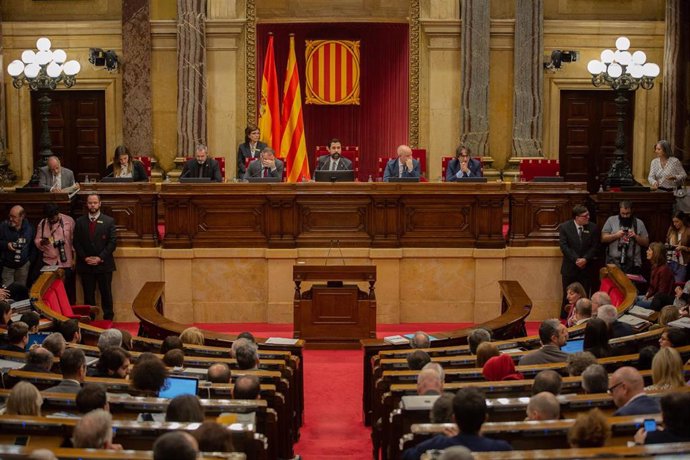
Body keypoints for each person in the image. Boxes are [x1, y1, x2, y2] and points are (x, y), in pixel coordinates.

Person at [401, 387, 512, 459]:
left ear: (454, 419)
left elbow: (407, 456)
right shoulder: (503, 449)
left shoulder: (437, 444)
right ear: (485, 418)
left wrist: (454, 442)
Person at [73, 194, 117, 320]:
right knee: (88, 295)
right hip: (86, 265)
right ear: (87, 204)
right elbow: (76, 242)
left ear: (100, 204)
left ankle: (108, 319)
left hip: (104, 265)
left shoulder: (109, 221)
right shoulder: (80, 222)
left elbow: (112, 243)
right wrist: (85, 258)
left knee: (106, 294)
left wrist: (100, 258)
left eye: (95, 202)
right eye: (90, 203)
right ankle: (90, 320)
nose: (92, 205)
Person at [559, 205, 599, 310]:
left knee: (584, 295)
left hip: (586, 268)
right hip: (570, 268)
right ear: (577, 217)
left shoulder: (593, 227)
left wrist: (585, 259)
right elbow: (564, 246)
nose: (588, 217)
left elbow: (595, 247)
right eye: (585, 216)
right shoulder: (565, 227)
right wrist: (576, 259)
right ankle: (565, 319)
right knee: (568, 296)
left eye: (588, 215)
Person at [34, 203, 76, 302]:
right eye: (50, 219)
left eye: (53, 218)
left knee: (67, 290)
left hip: (66, 261)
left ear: (58, 213)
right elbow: (37, 240)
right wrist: (43, 242)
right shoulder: (43, 223)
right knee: (50, 290)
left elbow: (74, 241)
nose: (52, 220)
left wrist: (75, 259)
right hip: (49, 261)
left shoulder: (69, 221)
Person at [601, 201, 649, 274]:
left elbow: (646, 243)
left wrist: (635, 236)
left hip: (633, 264)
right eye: (623, 213)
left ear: (632, 211)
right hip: (613, 263)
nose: (625, 216)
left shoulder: (639, 223)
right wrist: (616, 235)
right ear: (619, 211)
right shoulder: (611, 220)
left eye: (628, 213)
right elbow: (603, 238)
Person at [0, 205, 35, 287]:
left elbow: (33, 247)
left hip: (23, 267)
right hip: (7, 267)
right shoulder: (3, 226)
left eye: (14, 217)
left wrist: (29, 261)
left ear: (22, 216)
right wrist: (6, 245)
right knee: (7, 295)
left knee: (20, 293)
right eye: (10, 216)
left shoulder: (29, 228)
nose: (11, 219)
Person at [636, 242, 675, 310]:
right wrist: (646, 296)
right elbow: (651, 287)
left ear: (656, 253)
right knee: (633, 299)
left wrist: (648, 299)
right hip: (651, 297)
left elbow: (662, 292)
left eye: (649, 250)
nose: (646, 251)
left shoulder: (664, 270)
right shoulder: (655, 267)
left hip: (659, 301)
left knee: (635, 304)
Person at [665, 211, 690, 282]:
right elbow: (667, 240)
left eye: (677, 221)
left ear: (682, 220)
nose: (674, 224)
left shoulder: (688, 231)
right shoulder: (671, 229)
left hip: (681, 264)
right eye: (673, 222)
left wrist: (683, 248)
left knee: (677, 286)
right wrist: (667, 245)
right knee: (667, 285)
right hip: (670, 261)